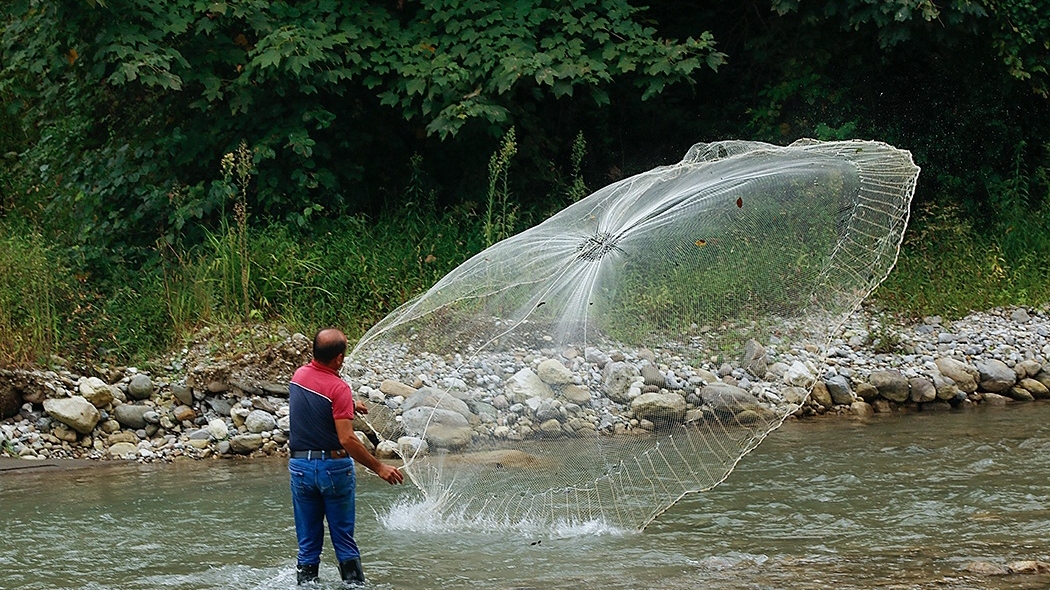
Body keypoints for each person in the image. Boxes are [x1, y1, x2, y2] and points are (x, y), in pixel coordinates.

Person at [288, 328, 404, 586]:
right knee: (343, 541)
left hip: (299, 468)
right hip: (333, 469)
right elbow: (347, 439)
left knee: (307, 545)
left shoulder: (298, 376)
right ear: (339, 358)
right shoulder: (338, 387)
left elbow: (315, 402)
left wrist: (349, 405)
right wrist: (379, 467)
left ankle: (306, 584)